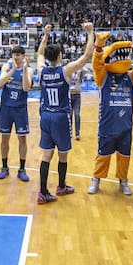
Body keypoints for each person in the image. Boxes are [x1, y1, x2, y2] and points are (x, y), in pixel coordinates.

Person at [89, 32, 133, 195]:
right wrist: (98, 47)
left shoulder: (130, 77)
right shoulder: (103, 76)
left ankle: (123, 181)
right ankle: (96, 179)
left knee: (124, 157)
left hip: (125, 128)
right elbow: (97, 64)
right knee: (102, 156)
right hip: (107, 126)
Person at [32, 22, 95, 204]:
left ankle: (43, 192)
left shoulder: (41, 70)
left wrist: (45, 35)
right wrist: (90, 32)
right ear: (60, 56)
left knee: (46, 155)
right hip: (60, 116)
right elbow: (86, 56)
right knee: (63, 154)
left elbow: (39, 54)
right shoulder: (65, 70)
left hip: (45, 116)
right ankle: (61, 186)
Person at [0, 46, 31, 182]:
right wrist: (13, 70)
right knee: (4, 138)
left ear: (23, 56)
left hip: (20, 109)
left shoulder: (28, 69)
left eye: (18, 55)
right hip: (6, 107)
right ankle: (4, 167)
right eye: (14, 54)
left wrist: (23, 70)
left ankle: (22, 169)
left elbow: (26, 88)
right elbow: (0, 83)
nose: (16, 57)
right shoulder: (7, 67)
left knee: (22, 139)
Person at [69, 66, 85, 141]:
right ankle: (69, 132)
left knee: (77, 114)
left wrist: (80, 66)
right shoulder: (68, 71)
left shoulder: (79, 72)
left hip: (77, 95)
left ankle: (77, 133)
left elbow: (86, 70)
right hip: (69, 95)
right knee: (69, 115)